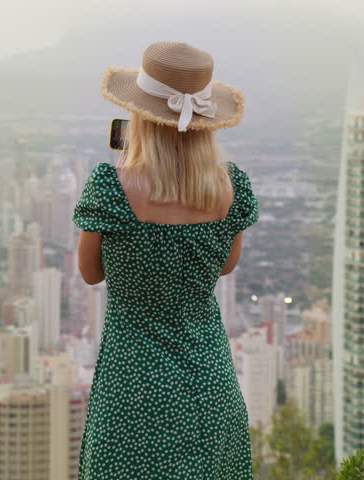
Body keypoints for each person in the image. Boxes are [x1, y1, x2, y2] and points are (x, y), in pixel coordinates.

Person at [73, 41, 259, 479]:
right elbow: (225, 265)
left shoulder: (111, 189)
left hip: (134, 388)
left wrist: (127, 171)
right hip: (209, 383)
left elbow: (89, 272)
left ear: (139, 117)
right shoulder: (229, 189)